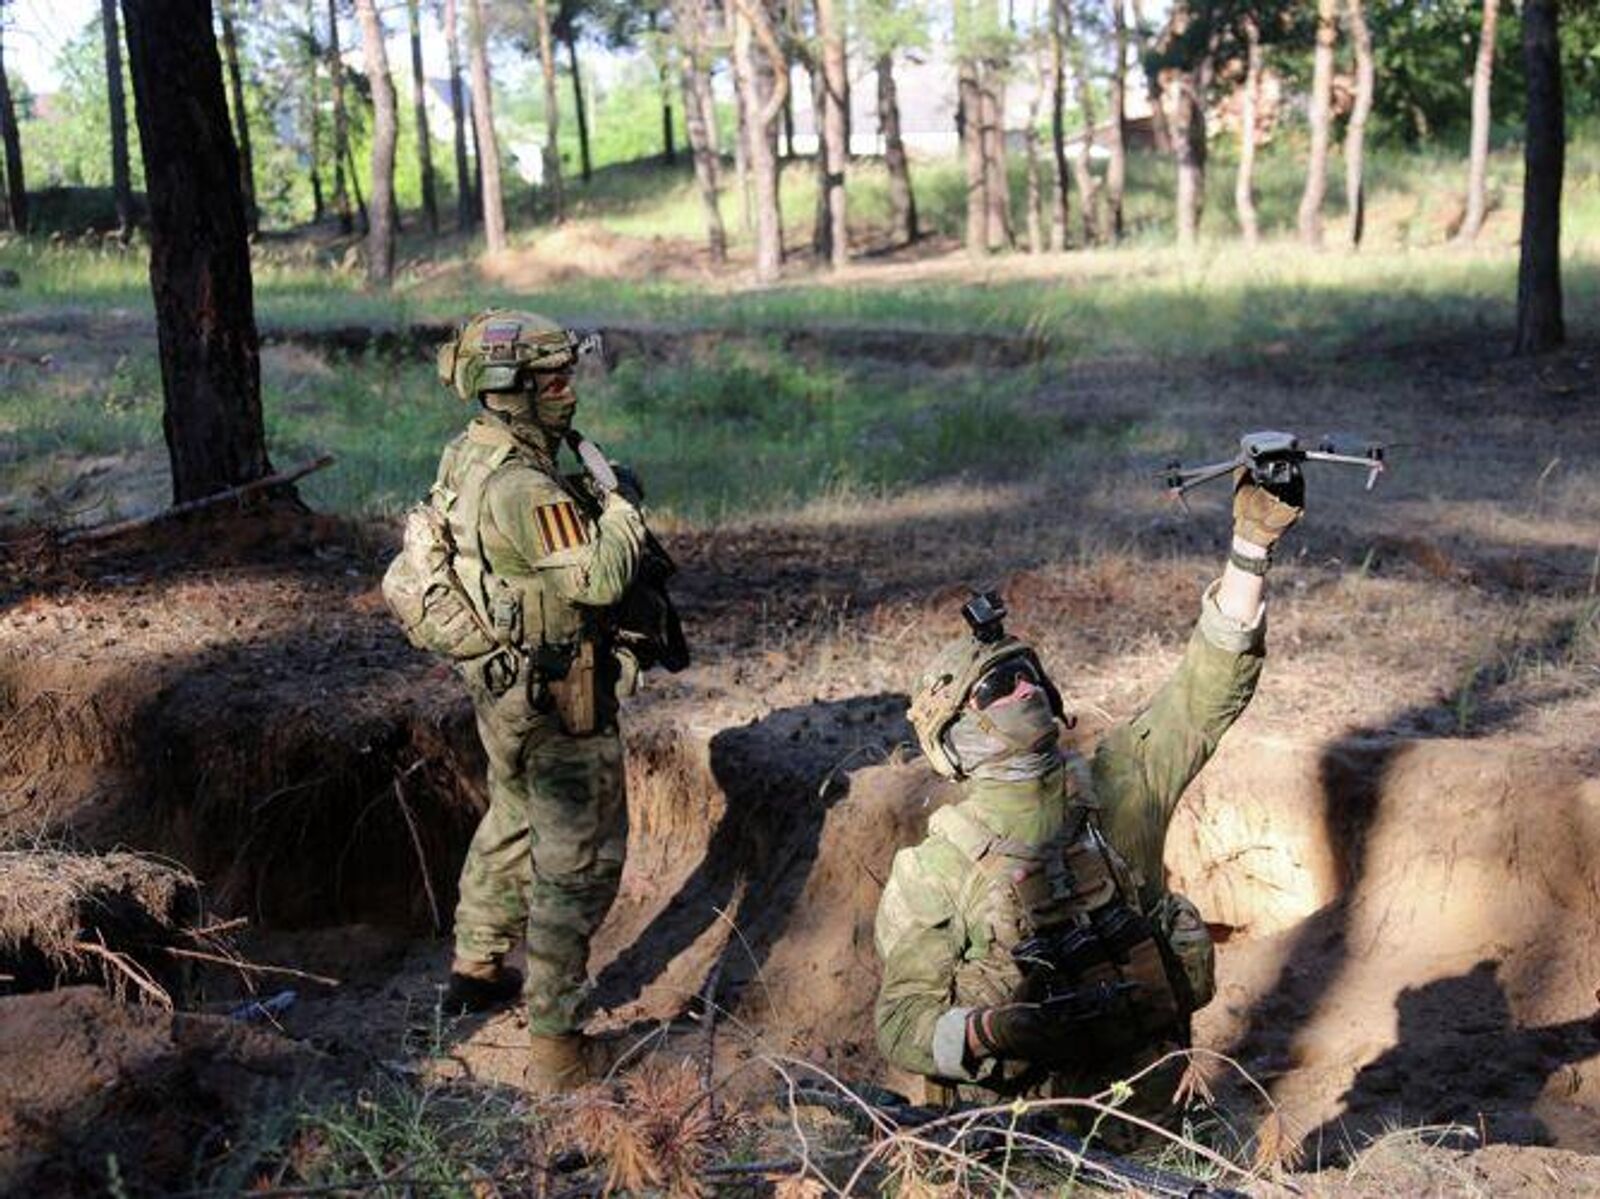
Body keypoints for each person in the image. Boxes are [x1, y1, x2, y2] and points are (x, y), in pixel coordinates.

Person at [873, 470, 1304, 1112]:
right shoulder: (935, 872)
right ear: (958, 736)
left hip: (1150, 1133)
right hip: (1014, 1149)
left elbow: (1205, 692)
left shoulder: (1118, 790)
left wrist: (1251, 545)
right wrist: (999, 1028)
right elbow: (901, 1024)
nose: (1022, 689)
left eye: (1025, 674)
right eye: (996, 688)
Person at [426, 309, 649, 1093]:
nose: (568, 388)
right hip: (562, 688)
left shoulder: (473, 453)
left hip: (503, 682)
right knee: (578, 860)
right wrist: (621, 510)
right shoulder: (524, 484)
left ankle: (477, 965)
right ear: (508, 391)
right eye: (552, 378)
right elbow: (594, 578)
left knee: (513, 812)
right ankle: (558, 1047)